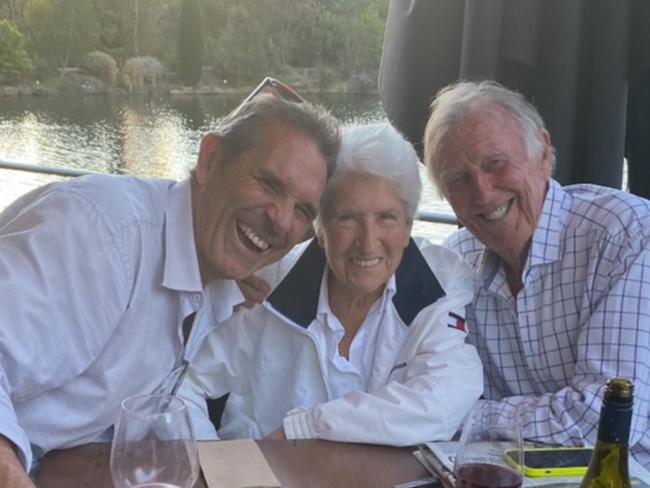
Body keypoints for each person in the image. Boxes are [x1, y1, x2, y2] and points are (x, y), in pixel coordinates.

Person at [0, 82, 340, 487]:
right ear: (210, 159)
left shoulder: (213, 270)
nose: (282, 221)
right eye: (268, 183)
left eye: (303, 211)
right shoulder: (105, 236)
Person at [180, 123, 483, 445]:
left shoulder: (439, 283)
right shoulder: (264, 286)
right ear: (320, 229)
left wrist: (310, 425)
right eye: (347, 218)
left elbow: (443, 401)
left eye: (386, 218)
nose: (368, 243)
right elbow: (183, 384)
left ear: (408, 226)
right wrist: (213, 467)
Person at [423, 80, 650, 467]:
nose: (482, 193)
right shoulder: (454, 261)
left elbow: (603, 418)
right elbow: (422, 381)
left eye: (495, 163)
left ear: (543, 153)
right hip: (508, 470)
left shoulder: (624, 234)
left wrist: (464, 415)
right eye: (458, 180)